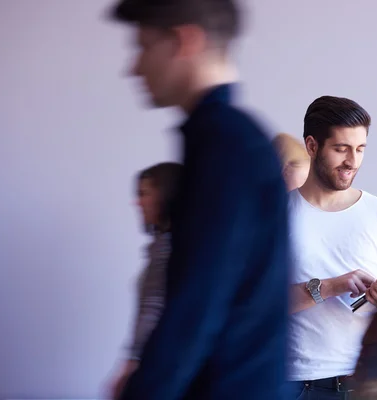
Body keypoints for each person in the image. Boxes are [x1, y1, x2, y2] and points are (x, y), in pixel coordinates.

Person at [109, 0, 291, 399]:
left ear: (184, 41)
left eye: (143, 47)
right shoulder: (233, 138)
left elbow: (199, 301)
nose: (134, 67)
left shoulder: (224, 142)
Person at [286, 96, 377, 399]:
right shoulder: (273, 215)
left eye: (360, 149)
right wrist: (329, 287)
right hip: (291, 384)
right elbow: (258, 304)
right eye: (341, 148)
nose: (352, 161)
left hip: (366, 382)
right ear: (312, 146)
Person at [107, 162, 183, 400]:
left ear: (166, 195)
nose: (137, 202)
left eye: (144, 194)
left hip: (160, 366)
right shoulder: (163, 244)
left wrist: (133, 362)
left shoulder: (169, 247)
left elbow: (153, 307)